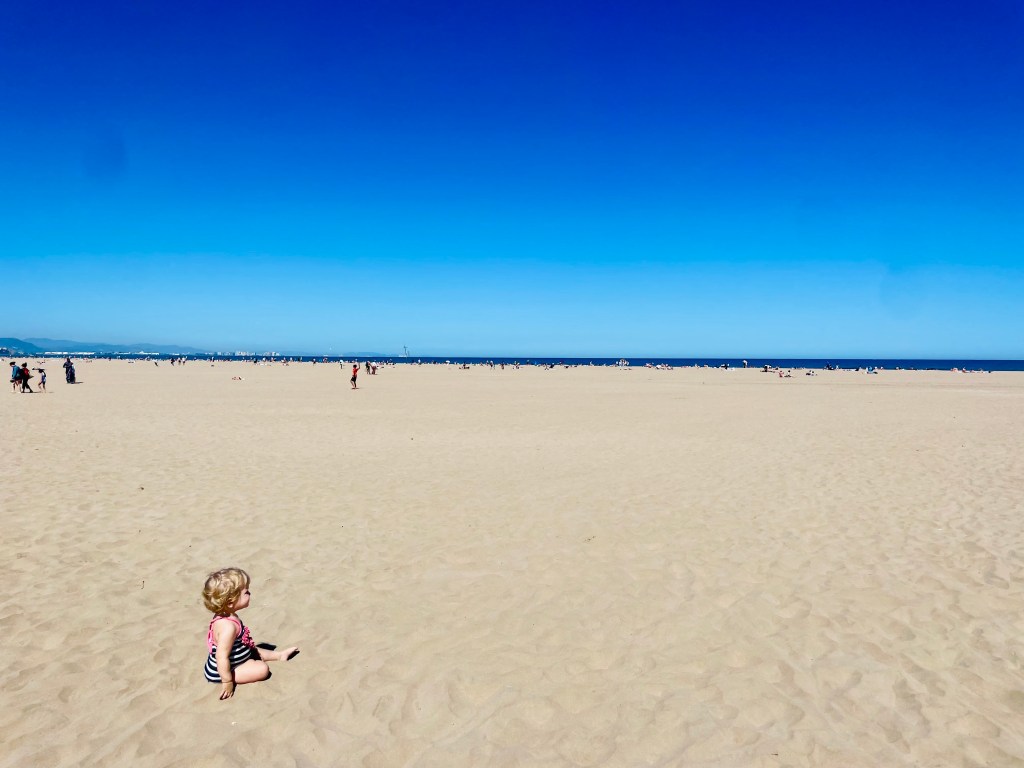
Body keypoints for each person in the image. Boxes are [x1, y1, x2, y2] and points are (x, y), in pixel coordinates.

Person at [202, 567, 298, 700]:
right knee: (262, 669)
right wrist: (227, 681)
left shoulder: (225, 615)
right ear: (230, 602)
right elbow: (221, 657)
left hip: (236, 656)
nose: (250, 593)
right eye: (246, 592)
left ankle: (280, 655)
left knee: (254, 649)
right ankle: (243, 668)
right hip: (223, 671)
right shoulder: (228, 627)